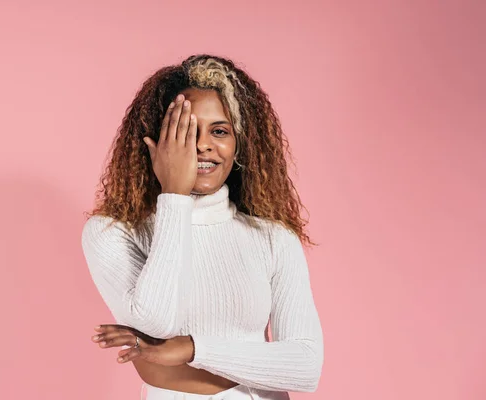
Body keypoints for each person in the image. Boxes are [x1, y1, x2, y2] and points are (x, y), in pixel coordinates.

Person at [81, 54, 324, 400]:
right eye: (186, 131)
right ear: (155, 140)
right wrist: (174, 197)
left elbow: (304, 366)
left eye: (220, 131)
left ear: (240, 142)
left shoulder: (273, 237)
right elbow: (156, 322)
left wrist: (193, 349)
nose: (202, 145)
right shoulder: (113, 232)